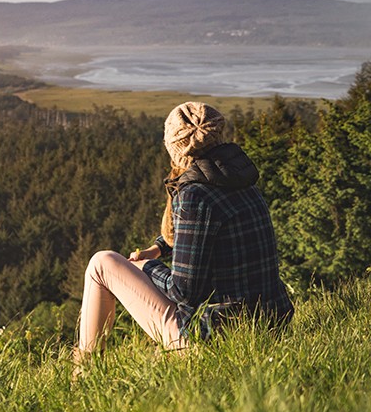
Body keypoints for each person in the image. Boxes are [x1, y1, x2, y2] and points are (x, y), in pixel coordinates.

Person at [76, 101, 294, 356]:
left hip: (220, 338)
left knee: (101, 264)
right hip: (272, 326)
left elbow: (184, 292)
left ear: (175, 148)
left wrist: (145, 267)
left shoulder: (195, 196)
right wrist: (157, 248)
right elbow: (203, 234)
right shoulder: (240, 179)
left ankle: (85, 368)